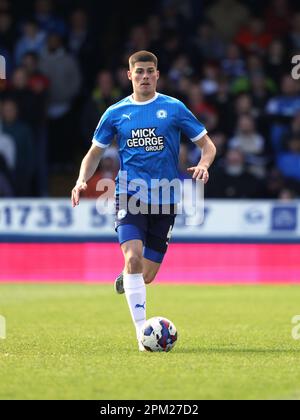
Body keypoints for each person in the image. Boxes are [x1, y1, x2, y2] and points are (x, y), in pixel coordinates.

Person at [71, 51, 216, 351]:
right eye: (139, 72)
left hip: (165, 199)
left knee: (145, 275)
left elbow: (207, 145)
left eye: (150, 71)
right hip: (130, 195)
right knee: (133, 258)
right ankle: (142, 334)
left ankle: (129, 278)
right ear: (129, 75)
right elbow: (95, 152)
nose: (145, 76)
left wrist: (204, 163)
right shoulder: (115, 113)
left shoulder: (173, 108)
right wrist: (81, 179)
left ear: (158, 75)